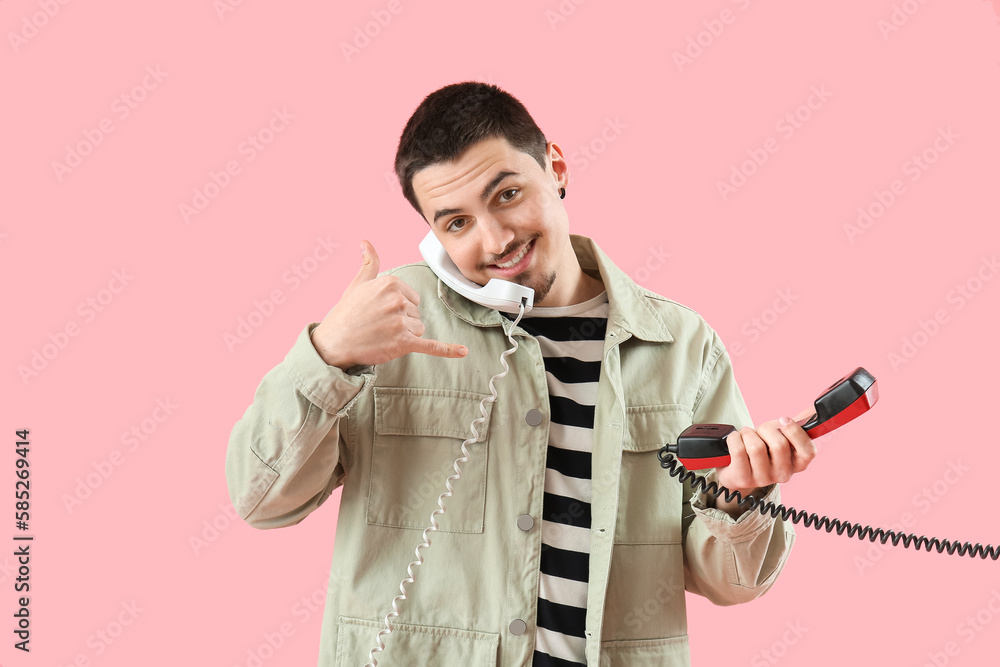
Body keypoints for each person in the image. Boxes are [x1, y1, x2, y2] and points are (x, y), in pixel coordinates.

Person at [226, 81, 818, 667]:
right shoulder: (389, 324)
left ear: (555, 167)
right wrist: (328, 355)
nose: (497, 239)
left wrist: (741, 502)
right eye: (455, 223)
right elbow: (262, 500)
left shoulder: (683, 347)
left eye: (507, 194)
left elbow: (730, 583)